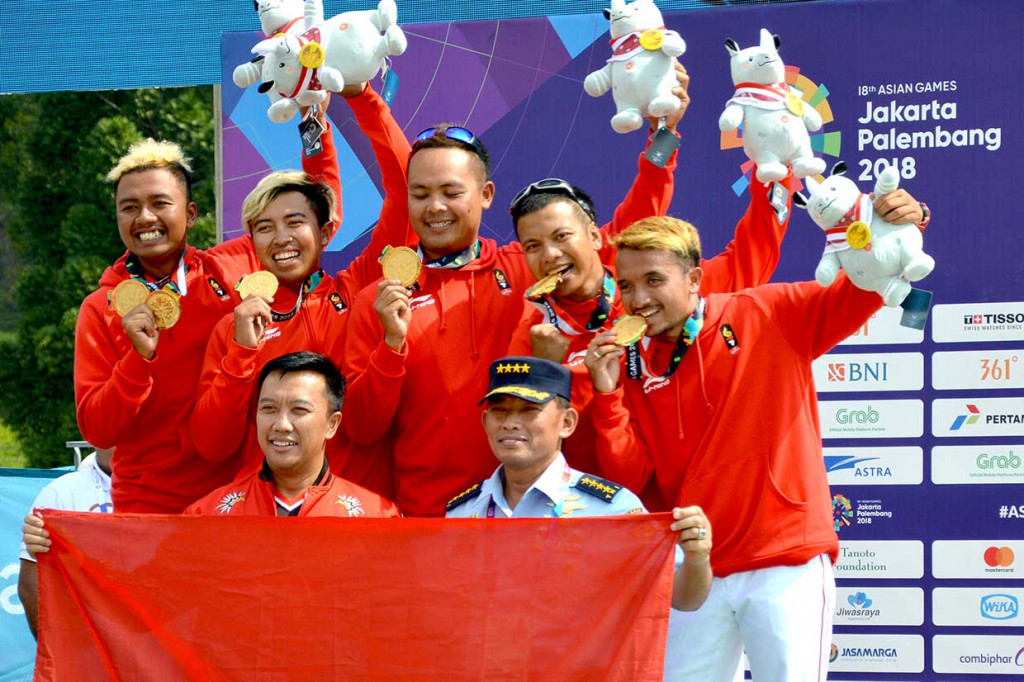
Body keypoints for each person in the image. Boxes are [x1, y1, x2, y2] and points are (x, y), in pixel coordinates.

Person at [340, 67, 691, 518]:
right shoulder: (380, 298)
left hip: (537, 509)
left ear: (485, 194)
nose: (436, 207)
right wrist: (391, 346)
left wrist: (663, 140)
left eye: (451, 191)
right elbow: (363, 429)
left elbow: (620, 233)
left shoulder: (526, 268)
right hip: (427, 519)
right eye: (420, 193)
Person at [585, 216, 893, 681]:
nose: (638, 300)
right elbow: (632, 479)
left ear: (693, 279)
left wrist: (892, 226)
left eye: (653, 280)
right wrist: (607, 396)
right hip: (695, 568)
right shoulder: (626, 363)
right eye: (626, 285)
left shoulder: (764, 311)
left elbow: (864, 289)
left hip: (783, 557)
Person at [507, 170, 930, 495]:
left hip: (694, 534)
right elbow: (523, 441)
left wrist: (778, 174)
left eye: (562, 236)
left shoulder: (684, 296)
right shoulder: (531, 332)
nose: (551, 255)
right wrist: (545, 371)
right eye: (532, 246)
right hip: (592, 513)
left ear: (595, 238)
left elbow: (753, 253)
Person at [74, 115, 340, 513]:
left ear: (191, 213)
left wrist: (313, 121)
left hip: (238, 498)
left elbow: (313, 210)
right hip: (148, 506)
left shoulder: (229, 269)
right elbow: (97, 430)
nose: (145, 218)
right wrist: (137, 361)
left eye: (160, 203)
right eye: (129, 207)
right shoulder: (100, 308)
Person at [190, 83, 412, 481]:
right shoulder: (237, 327)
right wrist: (241, 353)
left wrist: (361, 96)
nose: (281, 238)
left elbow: (405, 189)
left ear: (325, 233)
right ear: (251, 240)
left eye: (295, 223)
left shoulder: (358, 287)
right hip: (269, 519)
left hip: (354, 511)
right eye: (264, 228)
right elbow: (211, 446)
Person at [446, 355, 711, 613]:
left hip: (576, 658)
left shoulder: (610, 509)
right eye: (499, 411)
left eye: (529, 410)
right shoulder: (462, 511)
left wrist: (697, 558)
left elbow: (682, 599)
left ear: (567, 423)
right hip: (491, 655)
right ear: (485, 423)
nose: (510, 424)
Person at [186, 352, 399, 517]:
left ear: (332, 424)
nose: (282, 425)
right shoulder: (207, 515)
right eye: (269, 408)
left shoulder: (375, 518)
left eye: (299, 410)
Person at [18, 448, 114, 638]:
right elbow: (30, 587)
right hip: (89, 650)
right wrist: (61, 653)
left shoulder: (178, 488)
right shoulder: (61, 492)